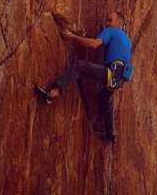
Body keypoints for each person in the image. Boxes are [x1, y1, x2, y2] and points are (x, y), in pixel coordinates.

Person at [35, 10, 133, 143]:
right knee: (104, 100)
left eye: (110, 20)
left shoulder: (111, 31)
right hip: (119, 81)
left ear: (118, 23)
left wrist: (72, 37)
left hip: (111, 73)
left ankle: (53, 93)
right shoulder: (127, 41)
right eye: (107, 20)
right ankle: (111, 134)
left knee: (79, 67)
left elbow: (94, 44)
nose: (106, 23)